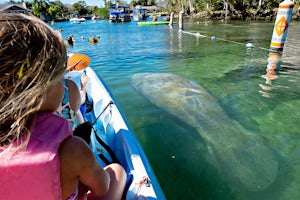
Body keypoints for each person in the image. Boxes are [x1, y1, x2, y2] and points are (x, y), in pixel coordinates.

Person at [0, 13, 126, 200]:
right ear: (40, 88)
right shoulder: (72, 150)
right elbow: (102, 188)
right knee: (117, 172)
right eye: (60, 79)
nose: (64, 84)